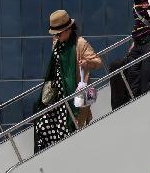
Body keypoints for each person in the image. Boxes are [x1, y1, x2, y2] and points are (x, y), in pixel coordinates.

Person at [33, 10, 102, 152]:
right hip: (58, 95)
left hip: (76, 94)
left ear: (68, 29)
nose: (57, 36)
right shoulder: (57, 43)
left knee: (72, 129)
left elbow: (98, 62)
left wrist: (86, 62)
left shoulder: (80, 43)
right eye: (55, 34)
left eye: (59, 33)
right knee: (43, 124)